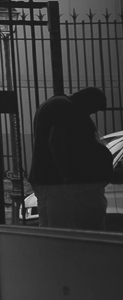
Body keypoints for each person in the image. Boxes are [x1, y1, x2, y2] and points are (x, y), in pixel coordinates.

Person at [28, 87, 113, 230]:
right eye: (92, 109)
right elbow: (55, 141)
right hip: (54, 180)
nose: (90, 113)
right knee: (60, 228)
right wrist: (66, 175)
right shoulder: (65, 107)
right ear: (87, 101)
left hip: (41, 177)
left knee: (47, 226)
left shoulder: (52, 103)